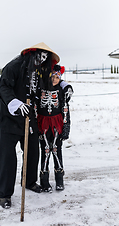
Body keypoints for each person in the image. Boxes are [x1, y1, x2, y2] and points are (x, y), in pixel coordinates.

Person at [0, 42, 61, 208]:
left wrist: (64, 85)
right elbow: (3, 87)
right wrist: (16, 104)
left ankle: (29, 182)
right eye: (40, 56)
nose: (42, 59)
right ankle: (5, 194)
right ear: (32, 54)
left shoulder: (39, 71)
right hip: (10, 119)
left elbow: (51, 83)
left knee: (32, 152)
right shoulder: (14, 66)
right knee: (7, 159)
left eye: (46, 58)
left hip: (29, 119)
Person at [37, 64, 73, 192]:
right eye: (52, 77)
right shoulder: (41, 88)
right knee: (45, 151)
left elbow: (65, 110)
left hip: (57, 123)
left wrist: (66, 128)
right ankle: (44, 181)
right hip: (43, 124)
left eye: (57, 77)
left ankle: (59, 179)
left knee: (57, 150)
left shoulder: (62, 90)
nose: (54, 79)